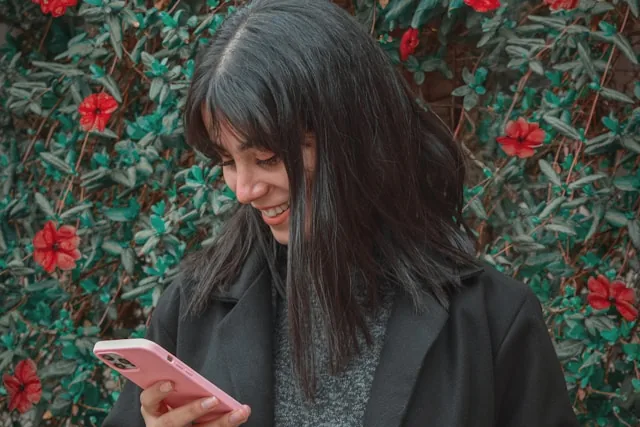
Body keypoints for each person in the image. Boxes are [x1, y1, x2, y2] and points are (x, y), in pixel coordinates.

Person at [103, 0, 580, 426]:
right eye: (227, 162)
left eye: (268, 158)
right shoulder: (193, 307)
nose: (244, 190)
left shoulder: (493, 320)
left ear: (353, 138)